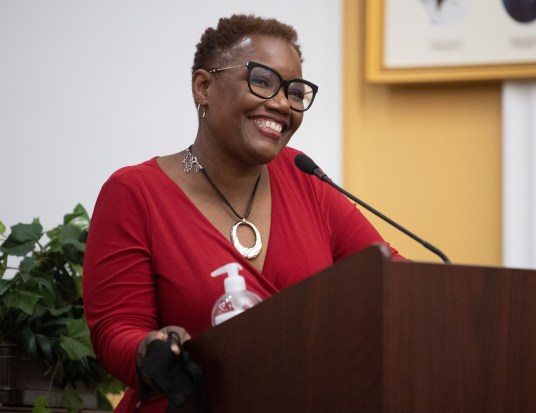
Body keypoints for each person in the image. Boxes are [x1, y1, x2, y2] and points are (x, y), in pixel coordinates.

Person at [83, 14, 402, 413]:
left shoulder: (304, 178)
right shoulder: (135, 193)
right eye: (263, 81)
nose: (283, 104)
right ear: (204, 86)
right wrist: (150, 351)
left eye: (295, 91)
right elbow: (116, 328)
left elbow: (392, 279)